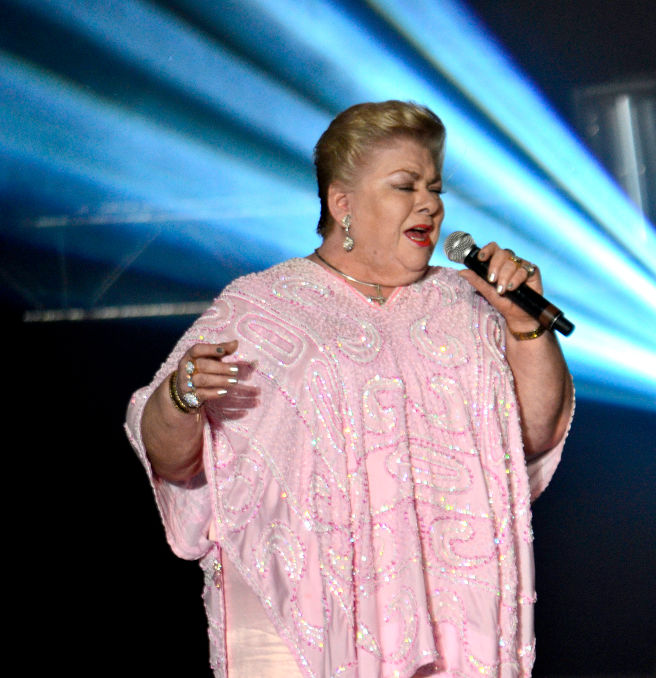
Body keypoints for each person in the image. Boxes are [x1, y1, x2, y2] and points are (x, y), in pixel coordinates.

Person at [125, 100, 574, 678]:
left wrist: (523, 324)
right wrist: (183, 395)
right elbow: (171, 457)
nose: (430, 205)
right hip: (311, 618)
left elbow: (533, 433)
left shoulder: (466, 303)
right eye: (404, 186)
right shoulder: (267, 307)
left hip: (455, 611)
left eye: (434, 188)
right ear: (343, 204)